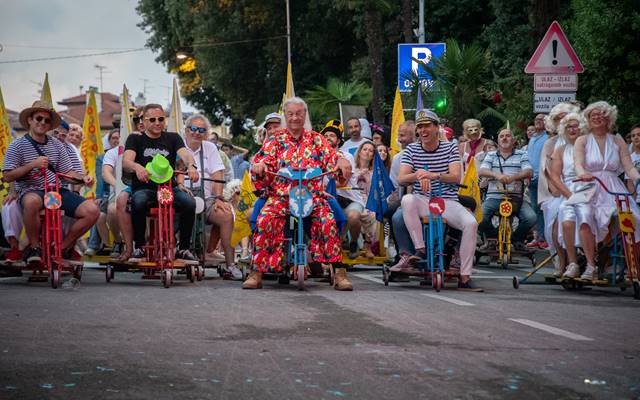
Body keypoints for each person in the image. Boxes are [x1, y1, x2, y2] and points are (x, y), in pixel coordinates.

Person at [244, 97, 352, 290]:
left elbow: (332, 157)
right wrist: (259, 166)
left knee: (328, 220)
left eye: (299, 114)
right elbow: (263, 161)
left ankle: (339, 272)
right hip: (281, 197)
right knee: (264, 219)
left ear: (305, 115)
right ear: (285, 116)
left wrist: (341, 161)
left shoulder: (316, 139)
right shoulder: (275, 141)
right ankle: (257, 272)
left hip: (312, 196)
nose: (295, 118)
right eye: (290, 114)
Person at [2, 100, 100, 264]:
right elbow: (7, 176)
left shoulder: (57, 145)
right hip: (31, 190)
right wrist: (32, 165)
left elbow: (67, 172)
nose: (42, 123)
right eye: (39, 118)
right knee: (32, 201)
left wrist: (83, 178)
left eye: (47, 120)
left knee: (92, 211)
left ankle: (62, 248)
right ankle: (34, 248)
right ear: (30, 120)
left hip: (56, 190)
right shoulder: (16, 145)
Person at [394, 109, 482, 291]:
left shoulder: (450, 147)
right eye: (420, 127)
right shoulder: (412, 149)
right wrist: (418, 174)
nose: (423, 131)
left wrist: (433, 175)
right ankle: (420, 249)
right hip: (423, 200)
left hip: (446, 201)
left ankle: (465, 277)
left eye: (427, 126)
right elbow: (401, 178)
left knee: (471, 223)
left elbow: (456, 177)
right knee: (407, 200)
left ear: (436, 128)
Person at [122, 103, 199, 263]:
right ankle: (139, 247)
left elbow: (185, 155)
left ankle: (183, 248)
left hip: (168, 188)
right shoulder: (135, 138)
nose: (157, 122)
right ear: (143, 121)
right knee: (138, 201)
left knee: (190, 203)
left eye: (161, 119)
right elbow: (126, 162)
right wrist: (137, 167)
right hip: (145, 188)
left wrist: (191, 166)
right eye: (153, 119)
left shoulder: (173, 137)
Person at [572, 101, 640, 280]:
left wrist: (637, 177)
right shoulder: (582, 139)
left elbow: (628, 166)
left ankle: (631, 265)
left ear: (608, 118)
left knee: (632, 218)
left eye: (601, 114)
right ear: (588, 119)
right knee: (585, 217)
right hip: (588, 184)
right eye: (593, 115)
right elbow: (578, 163)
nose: (597, 117)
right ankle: (590, 265)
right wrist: (582, 173)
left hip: (612, 186)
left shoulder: (617, 140)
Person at [182, 114, 243, 279]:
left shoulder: (210, 148)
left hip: (207, 198)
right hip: (182, 196)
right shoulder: (179, 147)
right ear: (187, 130)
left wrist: (218, 198)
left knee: (226, 214)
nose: (197, 133)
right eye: (194, 129)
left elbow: (218, 174)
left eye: (202, 130)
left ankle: (230, 264)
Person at [535, 103, 581, 259]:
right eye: (558, 118)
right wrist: (556, 190)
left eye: (565, 117)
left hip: (580, 188)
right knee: (554, 221)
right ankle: (561, 260)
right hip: (555, 191)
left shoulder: (582, 140)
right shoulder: (551, 143)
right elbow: (545, 170)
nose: (562, 121)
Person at [478, 129, 536, 248]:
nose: (504, 138)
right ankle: (493, 237)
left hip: (516, 198)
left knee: (531, 218)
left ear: (513, 140)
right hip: (494, 197)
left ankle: (516, 239)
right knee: (479, 218)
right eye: (502, 136)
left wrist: (513, 177)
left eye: (508, 136)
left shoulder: (522, 154)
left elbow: (529, 171)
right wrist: (497, 175)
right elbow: (482, 171)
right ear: (498, 141)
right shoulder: (491, 155)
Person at [547, 112, 588, 277]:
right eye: (569, 126)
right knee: (559, 218)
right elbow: (553, 176)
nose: (573, 129)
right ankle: (567, 262)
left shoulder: (589, 145)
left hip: (589, 188)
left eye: (576, 125)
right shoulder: (560, 149)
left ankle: (597, 262)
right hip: (566, 189)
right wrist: (569, 195)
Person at [321, 120, 368, 260]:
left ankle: (354, 242)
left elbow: (342, 182)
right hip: (328, 199)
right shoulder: (317, 158)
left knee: (353, 217)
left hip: (349, 199)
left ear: (339, 141)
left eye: (332, 135)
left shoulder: (346, 157)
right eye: (326, 135)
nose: (328, 138)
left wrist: (321, 187)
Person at [353, 141, 379, 258]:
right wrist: (358, 175)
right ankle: (352, 245)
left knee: (373, 214)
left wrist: (368, 179)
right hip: (352, 198)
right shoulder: (352, 168)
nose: (367, 152)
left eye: (370, 150)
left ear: (373, 155)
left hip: (367, 200)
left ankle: (367, 245)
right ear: (359, 152)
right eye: (365, 149)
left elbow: (373, 192)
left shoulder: (374, 172)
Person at [526, 114, 548, 248]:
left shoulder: (548, 138)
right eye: (537, 120)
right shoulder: (532, 138)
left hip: (543, 177)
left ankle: (545, 237)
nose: (539, 121)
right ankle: (538, 237)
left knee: (544, 208)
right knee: (535, 208)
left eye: (542, 120)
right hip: (531, 177)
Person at [626, 123, 640, 204]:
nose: (636, 137)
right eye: (633, 136)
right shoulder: (629, 158)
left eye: (639, 135)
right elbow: (630, 183)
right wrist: (633, 202)